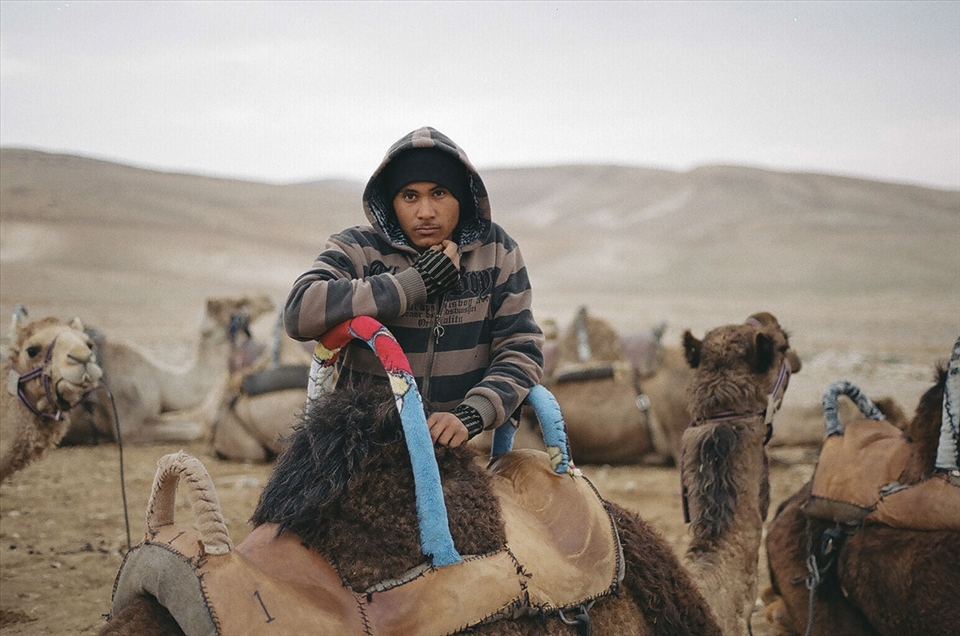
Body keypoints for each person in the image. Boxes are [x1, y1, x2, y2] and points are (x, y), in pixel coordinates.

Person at [284, 127, 543, 447]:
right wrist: (414, 283)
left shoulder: (497, 252)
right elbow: (299, 311)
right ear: (391, 202)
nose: (425, 212)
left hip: (454, 445)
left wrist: (472, 414)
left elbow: (520, 348)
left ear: (461, 198)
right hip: (362, 443)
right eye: (409, 196)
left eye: (439, 193)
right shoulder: (358, 249)